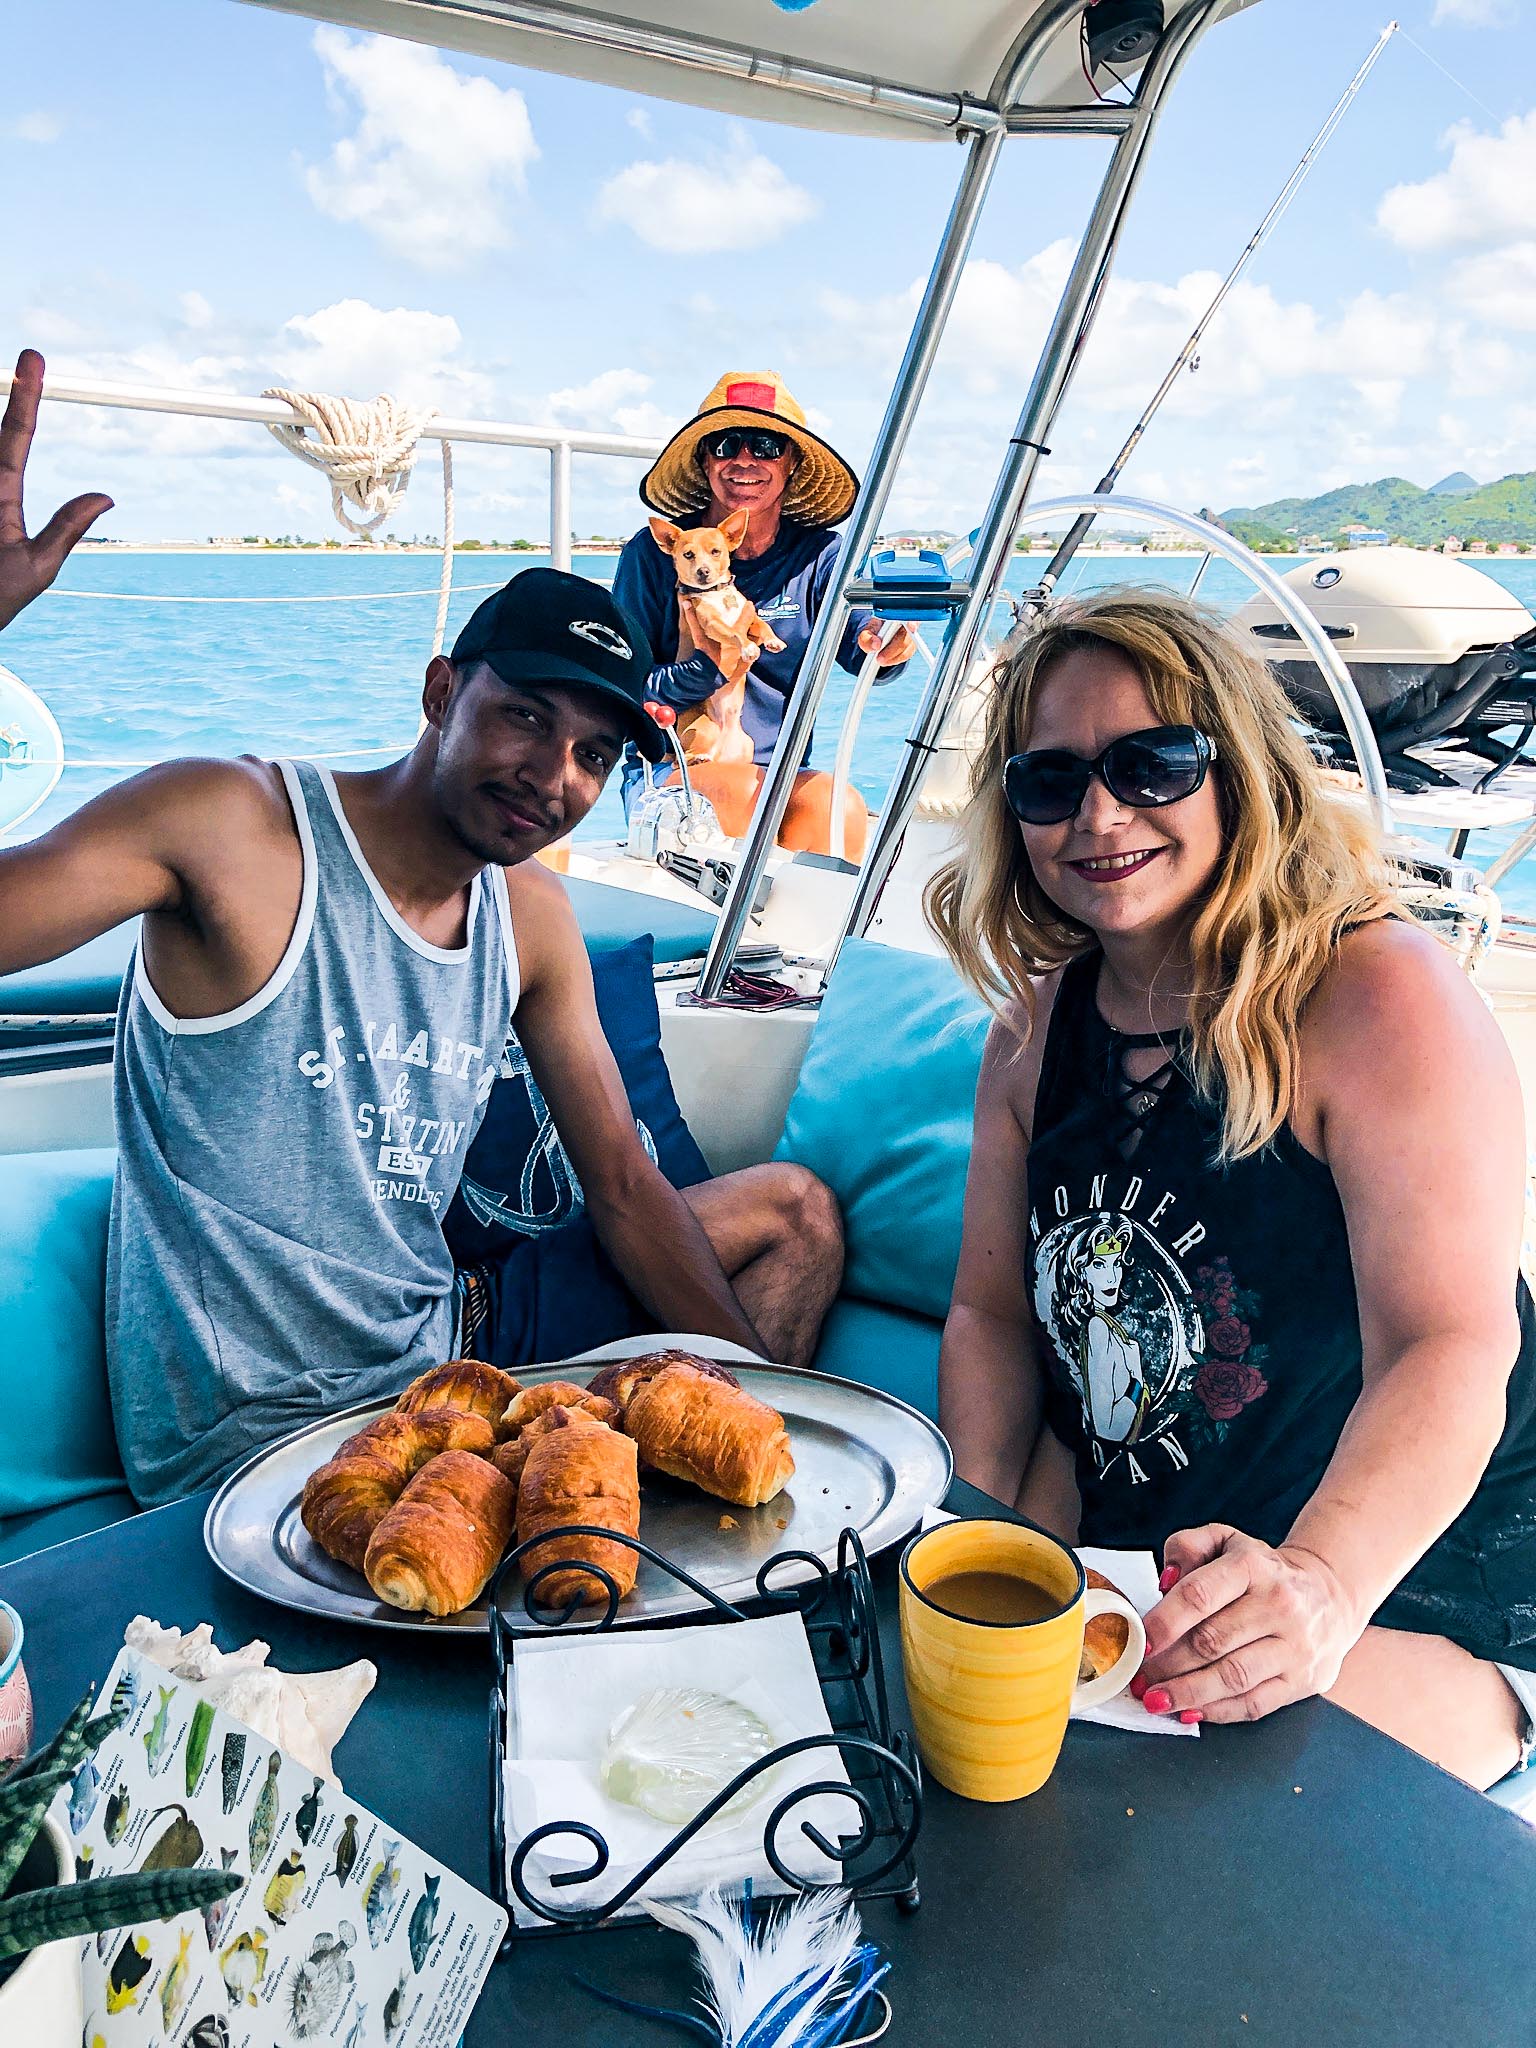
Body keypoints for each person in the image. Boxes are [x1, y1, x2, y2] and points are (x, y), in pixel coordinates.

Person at [0, 350, 844, 1507]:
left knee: (795, 1211)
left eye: (595, 752)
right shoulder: (231, 827)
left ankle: (748, 1528)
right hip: (258, 1439)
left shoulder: (529, 914)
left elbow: (622, 1182)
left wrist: (754, 1409)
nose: (554, 774)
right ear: (442, 690)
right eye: (524, 717)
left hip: (450, 1363)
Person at [926, 584, 1536, 1790]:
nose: (1100, 813)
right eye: (1051, 782)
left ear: (1239, 770)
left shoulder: (1374, 996)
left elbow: (1450, 1345)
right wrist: (968, 1542)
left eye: (1152, 764)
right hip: (1156, 1571)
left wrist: (1318, 1584)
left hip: (1422, 1588)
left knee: (1122, 1806)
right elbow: (992, 1317)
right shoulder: (1033, 1036)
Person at [611, 371, 915, 847]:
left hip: (780, 773)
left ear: (791, 462)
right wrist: (705, 670)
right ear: (705, 461)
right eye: (726, 444)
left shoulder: (821, 556)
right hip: (673, 767)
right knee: (748, 798)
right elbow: (621, 686)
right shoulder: (652, 556)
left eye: (767, 446)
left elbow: (865, 647)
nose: (744, 460)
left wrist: (889, 641)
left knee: (840, 810)